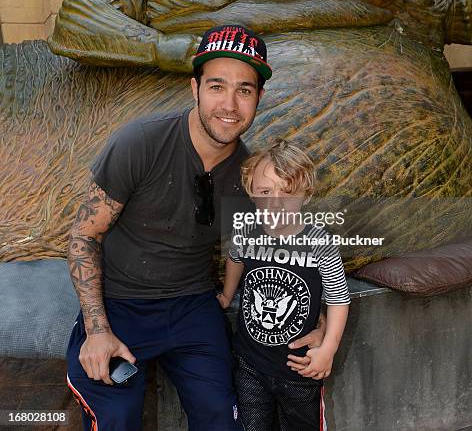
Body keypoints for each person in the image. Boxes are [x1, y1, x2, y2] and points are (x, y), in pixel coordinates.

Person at [65, 24, 324, 431]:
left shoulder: (251, 176)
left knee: (222, 416)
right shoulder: (140, 142)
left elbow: (289, 246)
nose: (230, 104)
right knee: (114, 418)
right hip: (120, 302)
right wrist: (97, 329)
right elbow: (83, 234)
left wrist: (321, 320)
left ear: (259, 98)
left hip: (192, 305)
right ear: (195, 88)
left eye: (245, 90)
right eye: (217, 86)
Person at [218, 140, 350, 431]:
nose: (275, 202)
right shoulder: (246, 229)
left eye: (288, 192)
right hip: (250, 363)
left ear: (306, 195)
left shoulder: (320, 242)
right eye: (265, 192)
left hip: (299, 367)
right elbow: (235, 258)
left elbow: (339, 299)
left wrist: (328, 349)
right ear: (252, 193)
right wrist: (228, 294)